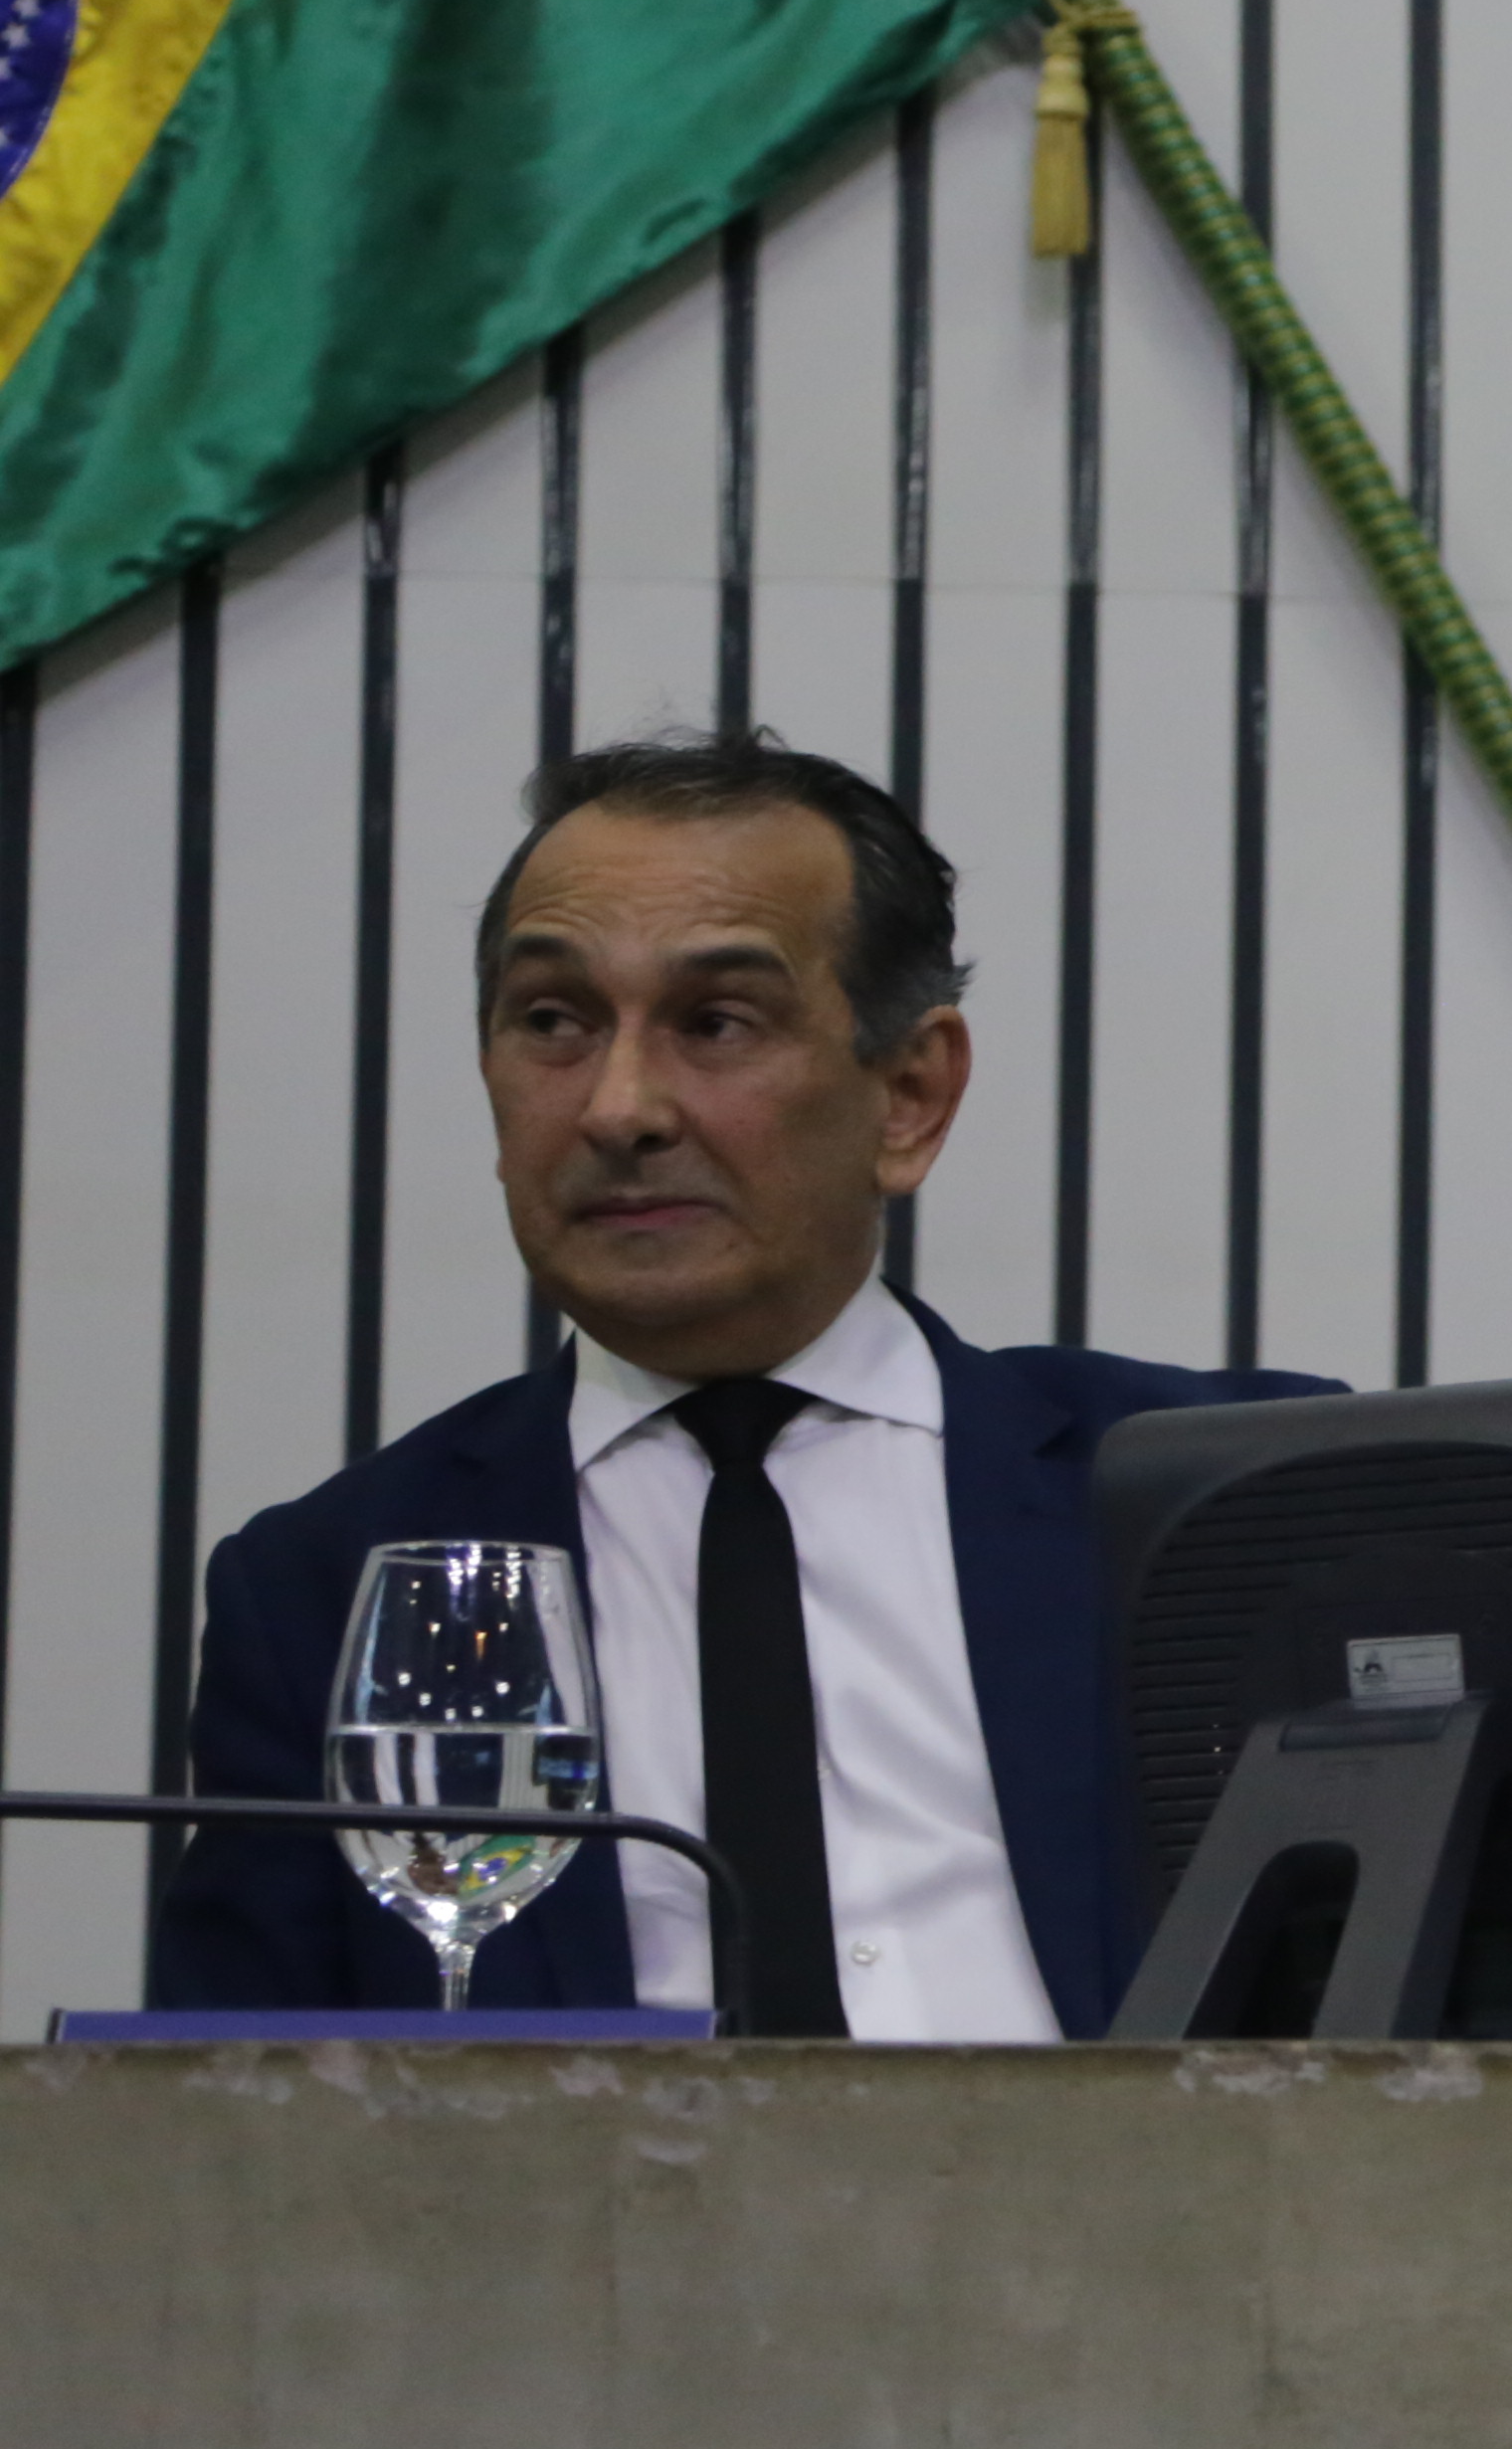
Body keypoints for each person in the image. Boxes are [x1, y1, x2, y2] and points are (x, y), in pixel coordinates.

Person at [152, 735, 1331, 2035]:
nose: (619, 1109)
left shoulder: (1236, 1498)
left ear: (910, 1095)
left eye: (716, 1023)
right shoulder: (327, 1587)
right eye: (553, 1022)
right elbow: (239, 2101)